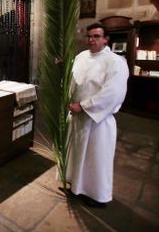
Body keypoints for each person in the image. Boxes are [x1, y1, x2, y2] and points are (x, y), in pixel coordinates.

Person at [66, 23, 129, 208]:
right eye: (89, 36)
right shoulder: (81, 56)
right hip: (76, 116)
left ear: (105, 39)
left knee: (95, 159)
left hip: (97, 120)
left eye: (96, 36)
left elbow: (114, 92)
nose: (91, 40)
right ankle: (75, 185)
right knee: (76, 154)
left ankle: (96, 194)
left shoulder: (115, 62)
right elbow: (73, 79)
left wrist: (84, 106)